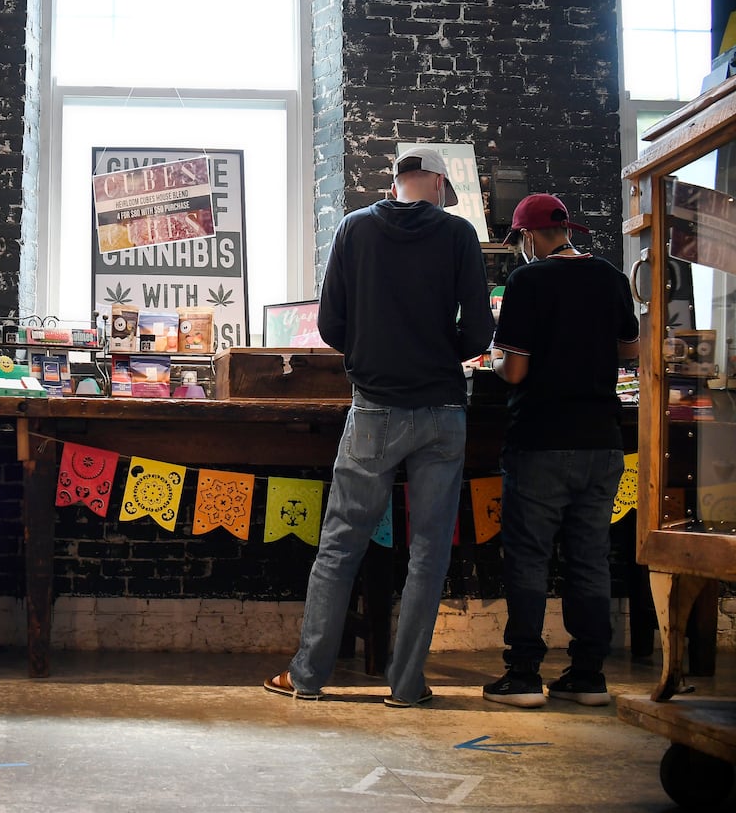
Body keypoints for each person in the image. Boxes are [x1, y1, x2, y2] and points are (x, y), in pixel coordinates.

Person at [265, 146, 494, 708]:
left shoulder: (353, 230)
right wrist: (442, 355)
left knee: (342, 545)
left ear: (397, 182)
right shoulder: (459, 235)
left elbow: (330, 323)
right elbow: (480, 330)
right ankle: (407, 685)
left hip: (373, 408)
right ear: (438, 183)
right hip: (442, 410)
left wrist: (371, 356)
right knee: (429, 551)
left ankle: (309, 677)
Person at [481, 193, 639, 708]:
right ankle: (588, 674)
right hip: (602, 439)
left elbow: (517, 370)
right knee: (590, 557)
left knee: (528, 557)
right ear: (566, 231)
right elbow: (629, 352)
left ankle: (524, 675)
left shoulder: (528, 281)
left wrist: (496, 364)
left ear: (527, 237)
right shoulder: (611, 277)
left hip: (542, 438)